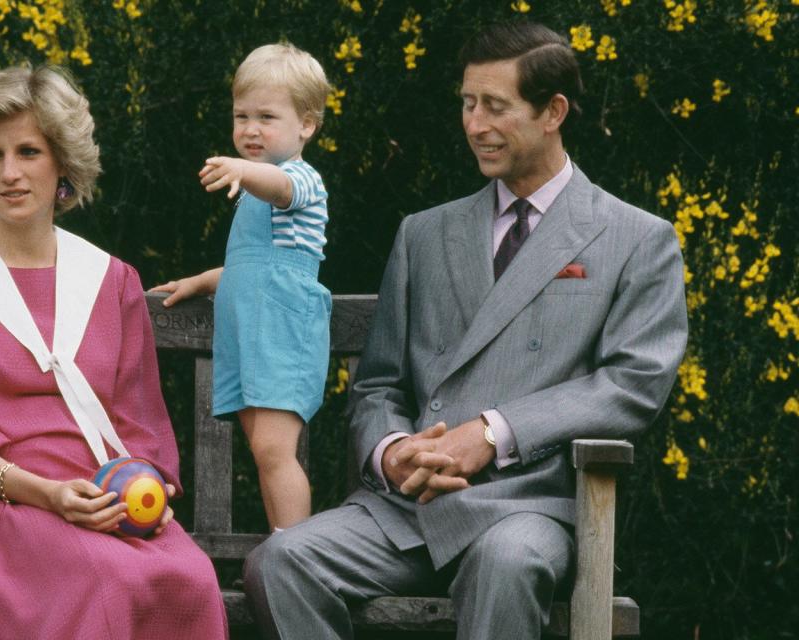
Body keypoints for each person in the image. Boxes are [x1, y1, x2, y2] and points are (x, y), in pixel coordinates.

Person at [243, 21, 688, 639]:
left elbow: (632, 385)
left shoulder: (636, 238)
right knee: (280, 562)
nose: (475, 124)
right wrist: (393, 453)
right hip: (406, 508)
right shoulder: (424, 234)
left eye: (495, 107)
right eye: (467, 103)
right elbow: (379, 388)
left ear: (553, 111)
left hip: (528, 509)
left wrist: (494, 431)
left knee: (506, 564)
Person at [0, 65, 228, 639]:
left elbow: (139, 424)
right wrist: (48, 494)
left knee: (191, 579)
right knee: (102, 581)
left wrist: (149, 491)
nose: (9, 173)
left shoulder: (112, 279)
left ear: (63, 164)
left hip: (103, 496)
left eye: (29, 151)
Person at [152, 43, 332, 532]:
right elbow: (252, 267)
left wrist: (240, 170)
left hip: (279, 335)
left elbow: (280, 188)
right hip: (250, 334)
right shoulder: (256, 189)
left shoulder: (300, 180)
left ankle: (294, 553)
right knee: (263, 450)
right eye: (241, 116)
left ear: (307, 125)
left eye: (267, 117)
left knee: (276, 451)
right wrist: (201, 281)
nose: (250, 129)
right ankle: (283, 546)